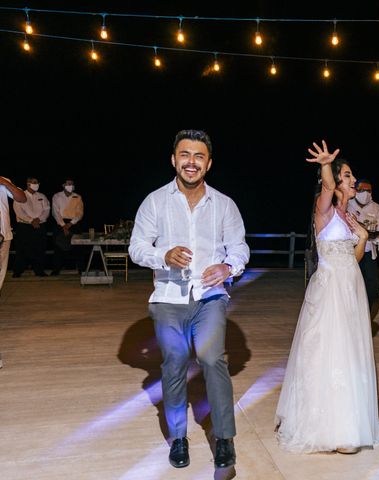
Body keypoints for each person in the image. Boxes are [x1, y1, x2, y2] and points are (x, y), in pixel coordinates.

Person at [129, 130, 249, 471]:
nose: (191, 162)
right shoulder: (155, 201)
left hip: (210, 297)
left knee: (212, 360)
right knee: (174, 363)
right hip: (168, 297)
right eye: (185, 154)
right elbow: (137, 247)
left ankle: (224, 438)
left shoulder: (224, 205)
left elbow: (240, 248)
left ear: (208, 164)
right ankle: (179, 437)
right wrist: (163, 255)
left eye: (198, 156)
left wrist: (228, 267)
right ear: (173, 159)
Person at [275, 140, 379, 454]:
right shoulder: (324, 207)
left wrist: (360, 236)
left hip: (351, 285)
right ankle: (330, 428)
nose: (351, 180)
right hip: (329, 286)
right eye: (346, 175)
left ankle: (351, 422)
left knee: (350, 350)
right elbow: (328, 186)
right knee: (327, 349)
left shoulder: (348, 217)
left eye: (349, 175)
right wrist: (326, 165)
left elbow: (356, 255)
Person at [347, 178, 379, 313]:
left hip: (369, 250)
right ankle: (350, 312)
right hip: (350, 250)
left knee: (371, 285)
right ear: (356, 190)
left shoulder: (378, 208)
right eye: (362, 190)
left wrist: (365, 229)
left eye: (368, 190)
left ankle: (367, 314)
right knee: (351, 282)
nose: (365, 193)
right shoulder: (347, 204)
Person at [12, 177, 50, 277]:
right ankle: (18, 271)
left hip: (39, 225)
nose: (37, 184)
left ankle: (39, 271)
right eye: (34, 182)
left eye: (37, 182)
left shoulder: (42, 196)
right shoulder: (19, 195)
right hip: (24, 226)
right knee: (21, 249)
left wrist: (39, 219)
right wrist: (31, 220)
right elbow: (18, 212)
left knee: (40, 249)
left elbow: (47, 210)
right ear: (28, 184)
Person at [51, 178, 84, 275]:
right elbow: (55, 212)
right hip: (60, 223)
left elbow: (80, 213)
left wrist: (70, 223)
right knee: (58, 247)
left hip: (74, 223)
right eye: (68, 184)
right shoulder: (57, 196)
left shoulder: (78, 197)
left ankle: (81, 269)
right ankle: (56, 270)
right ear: (63, 185)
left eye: (72, 184)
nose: (70, 185)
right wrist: (63, 225)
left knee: (78, 247)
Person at [0, 176, 27, 291]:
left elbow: (22, 198)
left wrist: (6, 183)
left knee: (1, 270)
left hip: (4, 234)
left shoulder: (3, 181)